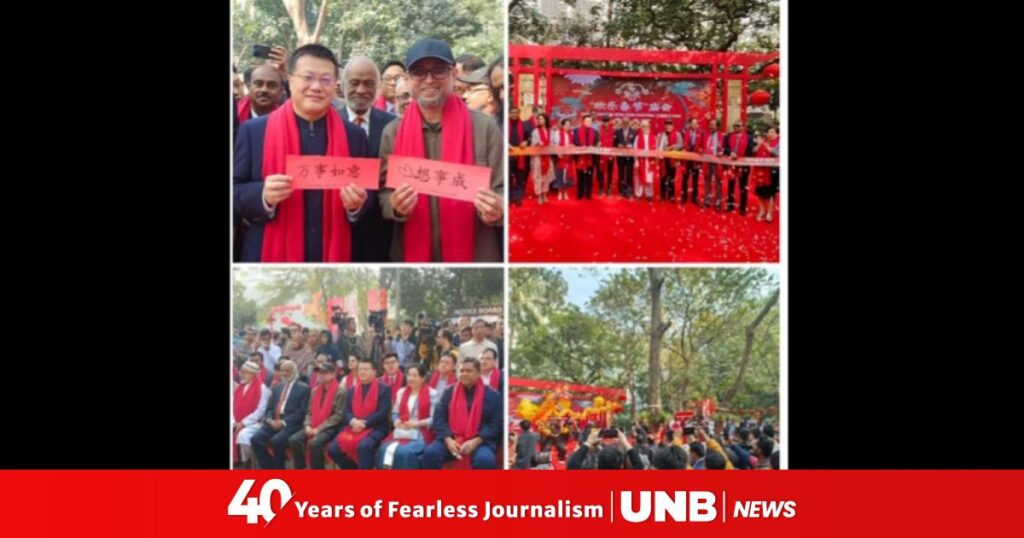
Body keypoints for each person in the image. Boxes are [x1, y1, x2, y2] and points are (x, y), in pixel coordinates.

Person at [234, 44, 372, 262]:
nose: (316, 87)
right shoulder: (253, 131)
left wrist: (357, 205)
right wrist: (263, 195)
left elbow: (368, 193)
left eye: (326, 79)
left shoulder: (354, 136)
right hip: (267, 254)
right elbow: (235, 191)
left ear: (336, 83)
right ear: (290, 79)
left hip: (336, 254)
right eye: (307, 77)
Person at [378, 39, 504, 262]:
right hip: (412, 255)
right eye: (419, 72)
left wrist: (497, 210)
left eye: (438, 71)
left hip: (475, 254)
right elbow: (382, 194)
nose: (429, 80)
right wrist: (395, 206)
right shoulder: (392, 133)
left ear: (454, 74)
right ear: (407, 80)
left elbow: (502, 190)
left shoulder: (484, 128)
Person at [420, 358, 502, 469]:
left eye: (469, 371)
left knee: (484, 460)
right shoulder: (449, 391)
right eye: (462, 371)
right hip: (451, 438)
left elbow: (496, 424)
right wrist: (448, 440)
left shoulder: (493, 395)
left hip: (481, 441)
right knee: (430, 453)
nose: (464, 374)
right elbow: (439, 417)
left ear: (478, 373)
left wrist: (476, 441)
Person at [327, 356, 392, 469]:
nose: (362, 371)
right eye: (360, 369)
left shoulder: (384, 389)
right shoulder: (351, 390)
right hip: (353, 427)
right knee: (333, 449)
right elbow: (346, 411)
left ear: (374, 371)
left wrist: (364, 424)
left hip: (376, 427)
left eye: (366, 369)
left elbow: (382, 412)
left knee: (363, 447)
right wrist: (353, 421)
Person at [375, 363, 438, 469]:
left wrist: (416, 423)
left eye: (415, 375)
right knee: (383, 449)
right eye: (409, 375)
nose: (411, 378)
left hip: (421, 432)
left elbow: (434, 419)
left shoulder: (433, 394)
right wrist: (396, 421)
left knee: (405, 452)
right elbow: (395, 413)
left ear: (423, 378)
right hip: (402, 431)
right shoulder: (401, 392)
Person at [250, 360, 310, 469]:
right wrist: (269, 420)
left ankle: (279, 469)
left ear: (294, 371)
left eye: (287, 370)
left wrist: (283, 422)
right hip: (273, 421)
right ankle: (268, 467)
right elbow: (269, 409)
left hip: (290, 423)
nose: (284, 373)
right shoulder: (277, 387)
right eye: (282, 370)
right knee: (255, 439)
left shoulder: (303, 388)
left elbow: (301, 412)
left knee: (276, 441)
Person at [288, 362, 347, 469]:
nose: (320, 375)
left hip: (330, 427)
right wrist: (307, 425)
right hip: (313, 424)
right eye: (319, 372)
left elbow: (338, 416)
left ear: (333, 374)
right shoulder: (315, 391)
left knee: (315, 443)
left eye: (324, 372)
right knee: (294, 440)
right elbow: (309, 411)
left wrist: (319, 429)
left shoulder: (340, 392)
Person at [233, 361, 270, 467]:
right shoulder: (241, 386)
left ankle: (247, 461)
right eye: (242, 372)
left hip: (254, 422)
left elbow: (260, 411)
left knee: (243, 436)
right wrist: (235, 421)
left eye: (245, 372)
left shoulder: (263, 389)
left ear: (252, 374)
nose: (242, 374)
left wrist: (243, 423)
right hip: (237, 420)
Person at [530, 112, 554, 204]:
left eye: (541, 119)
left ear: (545, 120)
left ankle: (544, 193)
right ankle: (539, 195)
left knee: (547, 177)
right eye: (538, 119)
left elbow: (553, 143)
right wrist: (537, 143)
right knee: (538, 177)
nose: (540, 120)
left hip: (547, 157)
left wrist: (551, 145)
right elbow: (532, 145)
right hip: (538, 158)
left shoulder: (550, 131)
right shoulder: (535, 131)